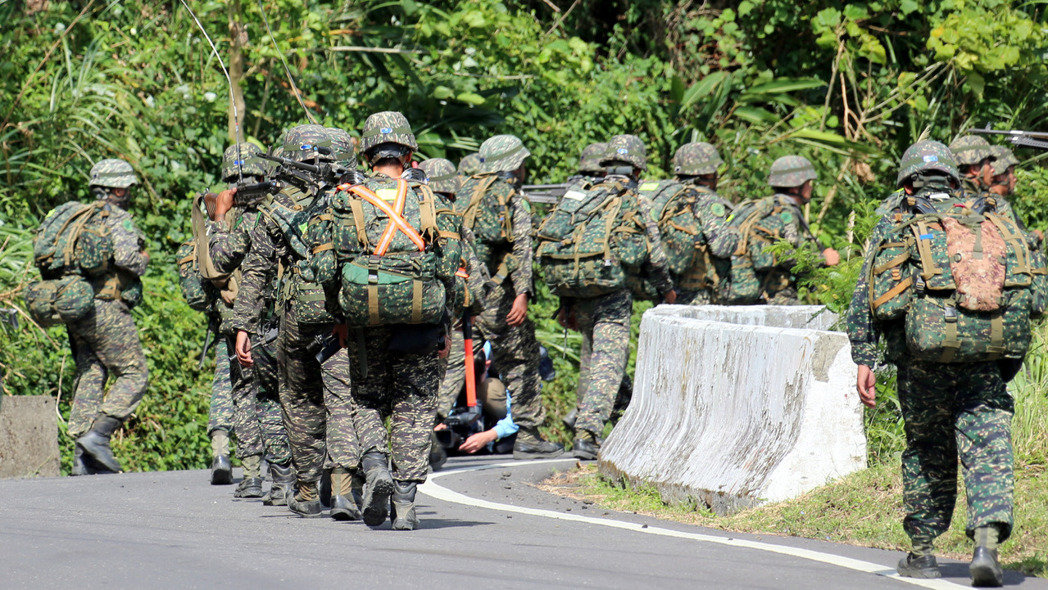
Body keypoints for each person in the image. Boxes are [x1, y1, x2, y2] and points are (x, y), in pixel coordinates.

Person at [846, 140, 1038, 587]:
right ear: (954, 178)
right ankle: (986, 542)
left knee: (928, 449)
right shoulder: (990, 215)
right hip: (985, 355)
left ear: (907, 180)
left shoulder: (898, 218)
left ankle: (923, 553)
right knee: (989, 442)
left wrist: (865, 357)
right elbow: (1030, 290)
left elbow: (867, 296)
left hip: (921, 361)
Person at [307, 111, 463, 529]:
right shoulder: (433, 200)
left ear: (366, 154)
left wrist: (342, 311)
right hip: (420, 318)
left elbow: (324, 271)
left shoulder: (344, 199)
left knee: (367, 397)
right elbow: (451, 269)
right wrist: (445, 322)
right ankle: (407, 505)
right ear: (409, 154)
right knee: (413, 405)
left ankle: (375, 467)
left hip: (363, 320)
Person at [226, 125, 360, 518]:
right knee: (342, 400)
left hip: (297, 319)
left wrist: (244, 327)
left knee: (299, 402)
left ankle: (305, 489)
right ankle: (342, 490)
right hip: (343, 318)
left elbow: (255, 271)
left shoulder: (274, 206)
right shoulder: (353, 197)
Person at [551, 135, 676, 459]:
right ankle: (587, 434)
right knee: (609, 362)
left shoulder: (581, 196)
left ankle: (587, 421)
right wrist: (666, 290)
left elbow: (566, 247)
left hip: (578, 290)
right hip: (611, 294)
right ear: (638, 169)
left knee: (594, 360)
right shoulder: (636, 201)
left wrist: (565, 303)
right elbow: (656, 256)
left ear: (606, 166)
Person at [456, 135, 563, 459]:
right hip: (497, 298)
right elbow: (522, 250)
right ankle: (529, 434)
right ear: (514, 165)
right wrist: (522, 294)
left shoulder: (464, 192)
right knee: (522, 359)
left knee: (450, 365)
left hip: (460, 291)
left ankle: (426, 436)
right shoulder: (511, 198)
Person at [204, 142, 295, 502]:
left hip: (245, 321)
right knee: (291, 394)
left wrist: (219, 220)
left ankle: (256, 474)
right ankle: (295, 476)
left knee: (249, 395)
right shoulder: (283, 206)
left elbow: (217, 263)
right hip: (287, 316)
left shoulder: (237, 219)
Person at [67, 159, 150, 474]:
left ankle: (82, 456)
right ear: (118, 188)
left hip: (76, 307)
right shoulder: (118, 218)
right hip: (106, 307)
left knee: (91, 375)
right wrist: (143, 258)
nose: (129, 193)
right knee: (134, 374)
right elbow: (129, 258)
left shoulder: (78, 217)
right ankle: (98, 435)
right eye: (127, 187)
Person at [635, 142, 739, 305]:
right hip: (697, 294)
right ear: (707, 175)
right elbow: (722, 247)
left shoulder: (665, 195)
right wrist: (734, 231)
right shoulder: (705, 199)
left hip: (665, 289)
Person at [744, 155, 839, 304]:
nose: (811, 187)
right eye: (808, 183)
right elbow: (787, 256)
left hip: (757, 293)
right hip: (775, 296)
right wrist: (824, 259)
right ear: (796, 187)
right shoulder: (786, 213)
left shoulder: (769, 207)